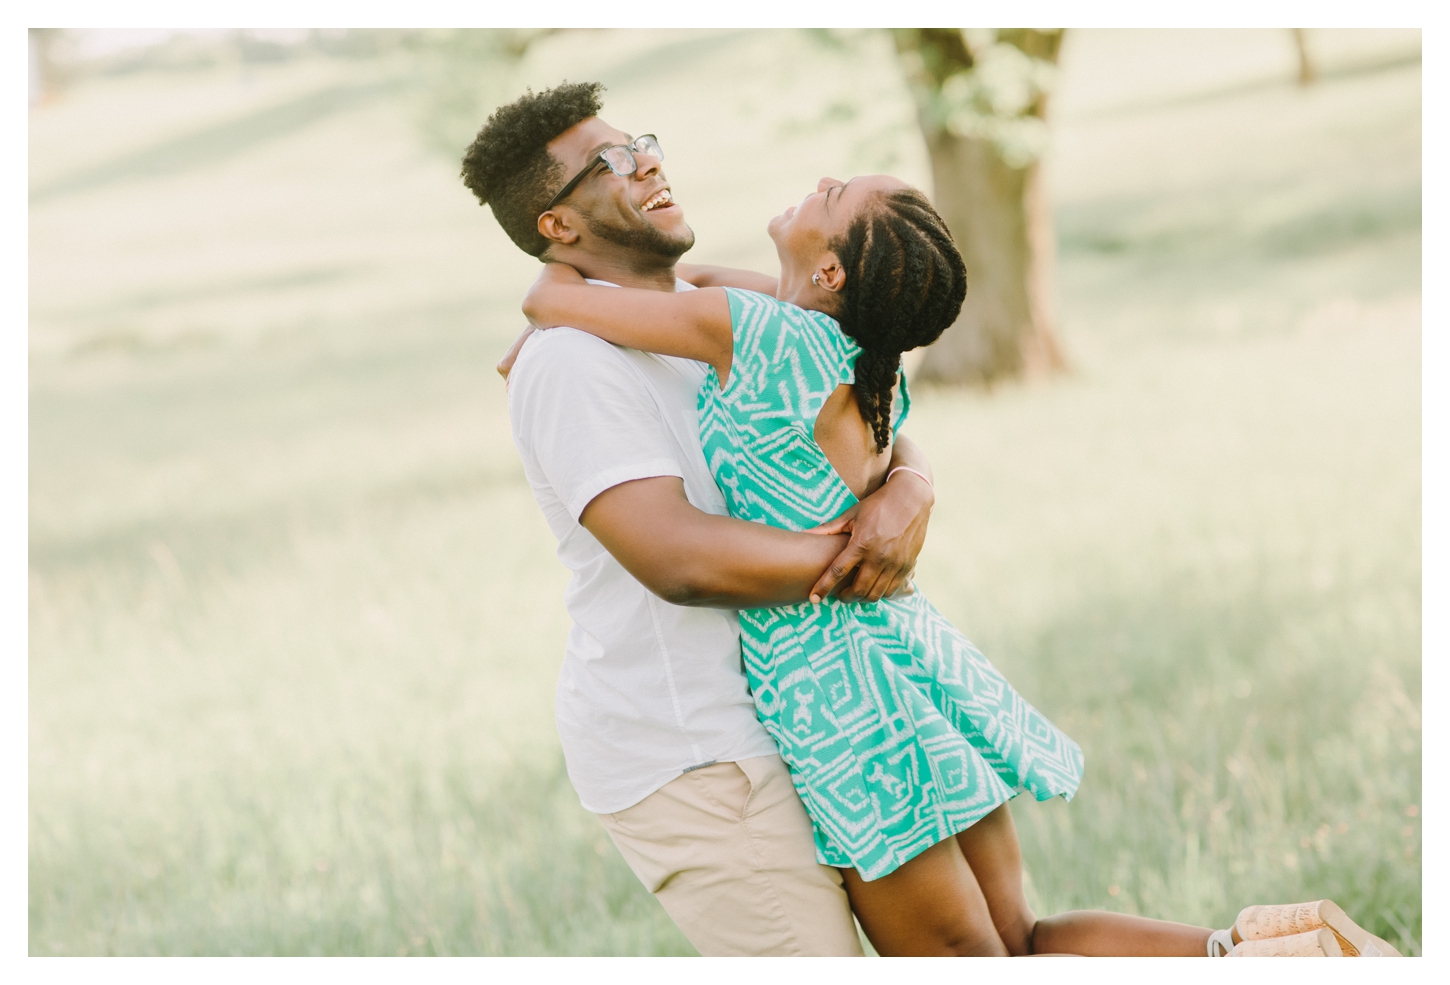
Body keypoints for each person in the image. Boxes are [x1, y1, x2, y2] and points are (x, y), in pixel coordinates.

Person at [467, 81, 1395, 959]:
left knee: (983, 955)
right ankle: (1268, 950)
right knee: (1008, 945)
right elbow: (680, 560)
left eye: (644, 145)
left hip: (834, 695)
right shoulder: (608, 357)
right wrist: (869, 537)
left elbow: (723, 332)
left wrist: (910, 490)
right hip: (711, 745)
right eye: (614, 162)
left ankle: (1276, 956)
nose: (648, 163)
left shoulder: (725, 323)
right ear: (558, 221)